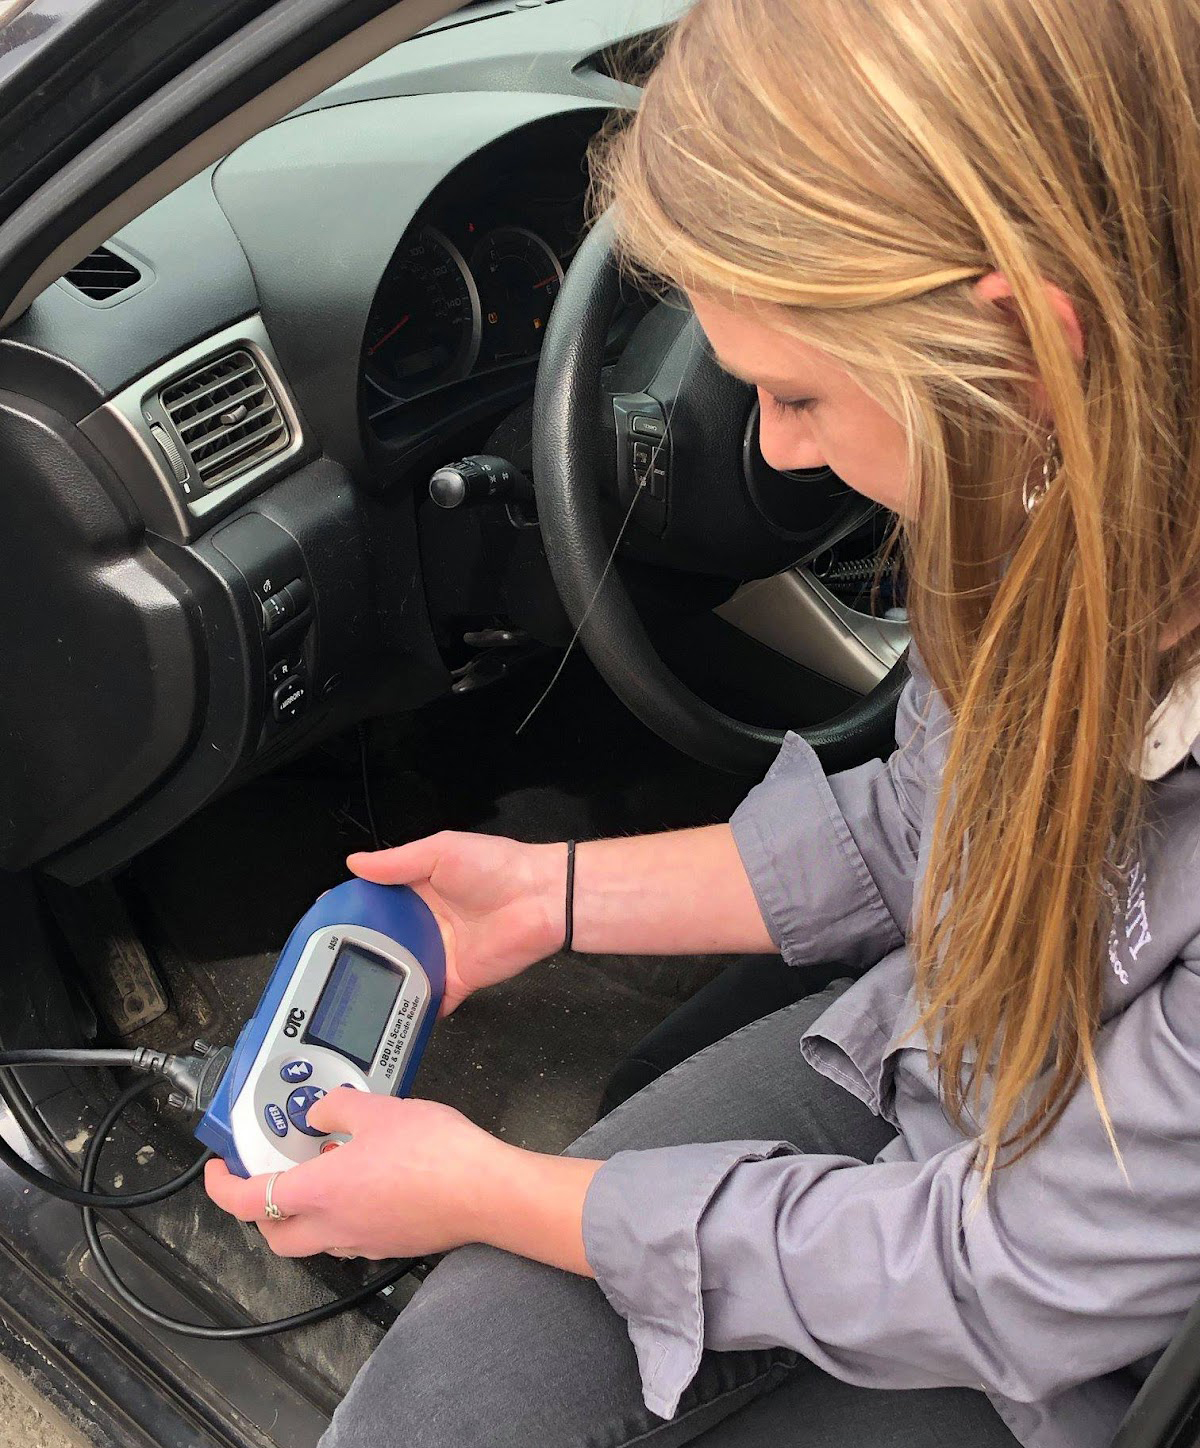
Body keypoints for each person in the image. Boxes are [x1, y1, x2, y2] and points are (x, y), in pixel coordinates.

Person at [205, 0, 1200, 1443]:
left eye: (797, 392)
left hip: (1052, 1310)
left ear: (1029, 339)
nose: (778, 447)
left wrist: (494, 1188)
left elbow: (1008, 1275)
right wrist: (545, 897)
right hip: (946, 1046)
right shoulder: (1058, 488)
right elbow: (937, 820)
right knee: (433, 1406)